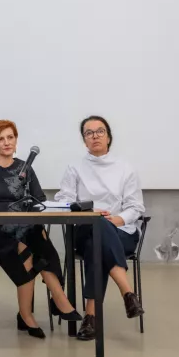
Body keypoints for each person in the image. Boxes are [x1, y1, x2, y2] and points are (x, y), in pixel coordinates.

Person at [0, 120, 81, 340]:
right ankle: (55, 301)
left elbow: (40, 200)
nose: (7, 142)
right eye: (1, 139)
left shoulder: (25, 167)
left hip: (23, 227)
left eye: (10, 137)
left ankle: (30, 312)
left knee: (35, 238)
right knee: (29, 248)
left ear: (16, 140)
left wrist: (28, 211)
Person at [55, 115, 145, 340]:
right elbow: (65, 200)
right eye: (89, 133)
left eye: (99, 131)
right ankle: (128, 292)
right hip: (85, 227)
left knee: (97, 241)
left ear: (109, 137)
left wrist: (113, 220)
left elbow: (136, 207)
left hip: (120, 231)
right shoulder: (74, 167)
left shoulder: (126, 168)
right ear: (84, 140)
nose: (94, 136)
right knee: (96, 228)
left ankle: (91, 318)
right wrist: (89, 214)